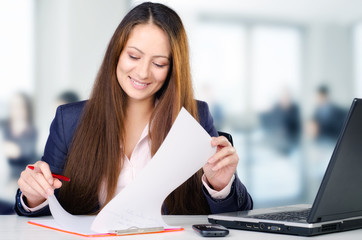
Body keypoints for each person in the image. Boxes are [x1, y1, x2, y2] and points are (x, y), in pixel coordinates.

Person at [15, 2, 253, 217]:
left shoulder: (195, 116)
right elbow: (44, 204)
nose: (142, 73)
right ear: (116, 54)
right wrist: (34, 195)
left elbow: (237, 216)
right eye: (133, 56)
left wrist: (221, 185)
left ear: (172, 68)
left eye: (159, 63)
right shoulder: (70, 120)